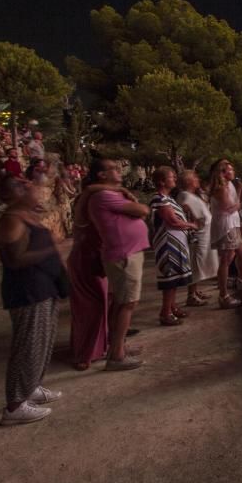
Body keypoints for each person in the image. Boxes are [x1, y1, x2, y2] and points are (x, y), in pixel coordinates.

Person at [0, 177, 68, 425]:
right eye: (25, 186)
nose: (33, 188)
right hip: (27, 291)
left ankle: (31, 387)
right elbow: (15, 259)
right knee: (27, 346)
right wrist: (52, 248)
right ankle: (15, 406)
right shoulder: (11, 220)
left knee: (42, 343)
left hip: (44, 287)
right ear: (14, 193)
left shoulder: (26, 216)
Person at [87, 158, 149, 371]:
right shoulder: (104, 196)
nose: (119, 170)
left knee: (122, 303)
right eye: (113, 168)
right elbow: (143, 210)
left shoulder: (108, 194)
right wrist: (131, 198)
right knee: (127, 304)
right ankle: (116, 356)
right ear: (101, 175)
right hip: (124, 255)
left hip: (127, 253)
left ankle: (118, 346)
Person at [66, 171, 113, 371]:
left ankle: (103, 347)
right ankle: (83, 354)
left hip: (98, 257)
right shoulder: (87, 202)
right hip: (87, 258)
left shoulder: (97, 200)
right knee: (90, 307)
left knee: (104, 304)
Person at [148, 167, 196, 326]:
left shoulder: (168, 198)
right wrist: (191, 225)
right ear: (162, 181)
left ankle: (172, 306)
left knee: (174, 279)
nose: (175, 178)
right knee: (170, 279)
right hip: (168, 245)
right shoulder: (159, 199)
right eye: (171, 176)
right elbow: (173, 221)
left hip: (176, 244)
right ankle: (165, 312)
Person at [175, 170, 217, 307]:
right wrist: (194, 224)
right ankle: (191, 295)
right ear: (189, 181)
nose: (198, 179)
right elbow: (185, 211)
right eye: (195, 177)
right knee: (195, 264)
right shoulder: (185, 196)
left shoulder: (190, 195)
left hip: (203, 234)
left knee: (200, 264)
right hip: (197, 236)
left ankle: (195, 291)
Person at [208, 159, 242, 309]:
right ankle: (223, 296)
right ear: (223, 172)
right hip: (226, 226)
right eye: (231, 169)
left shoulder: (229, 184)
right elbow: (230, 207)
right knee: (226, 259)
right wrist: (241, 196)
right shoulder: (221, 187)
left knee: (241, 251)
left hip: (233, 224)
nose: (234, 172)